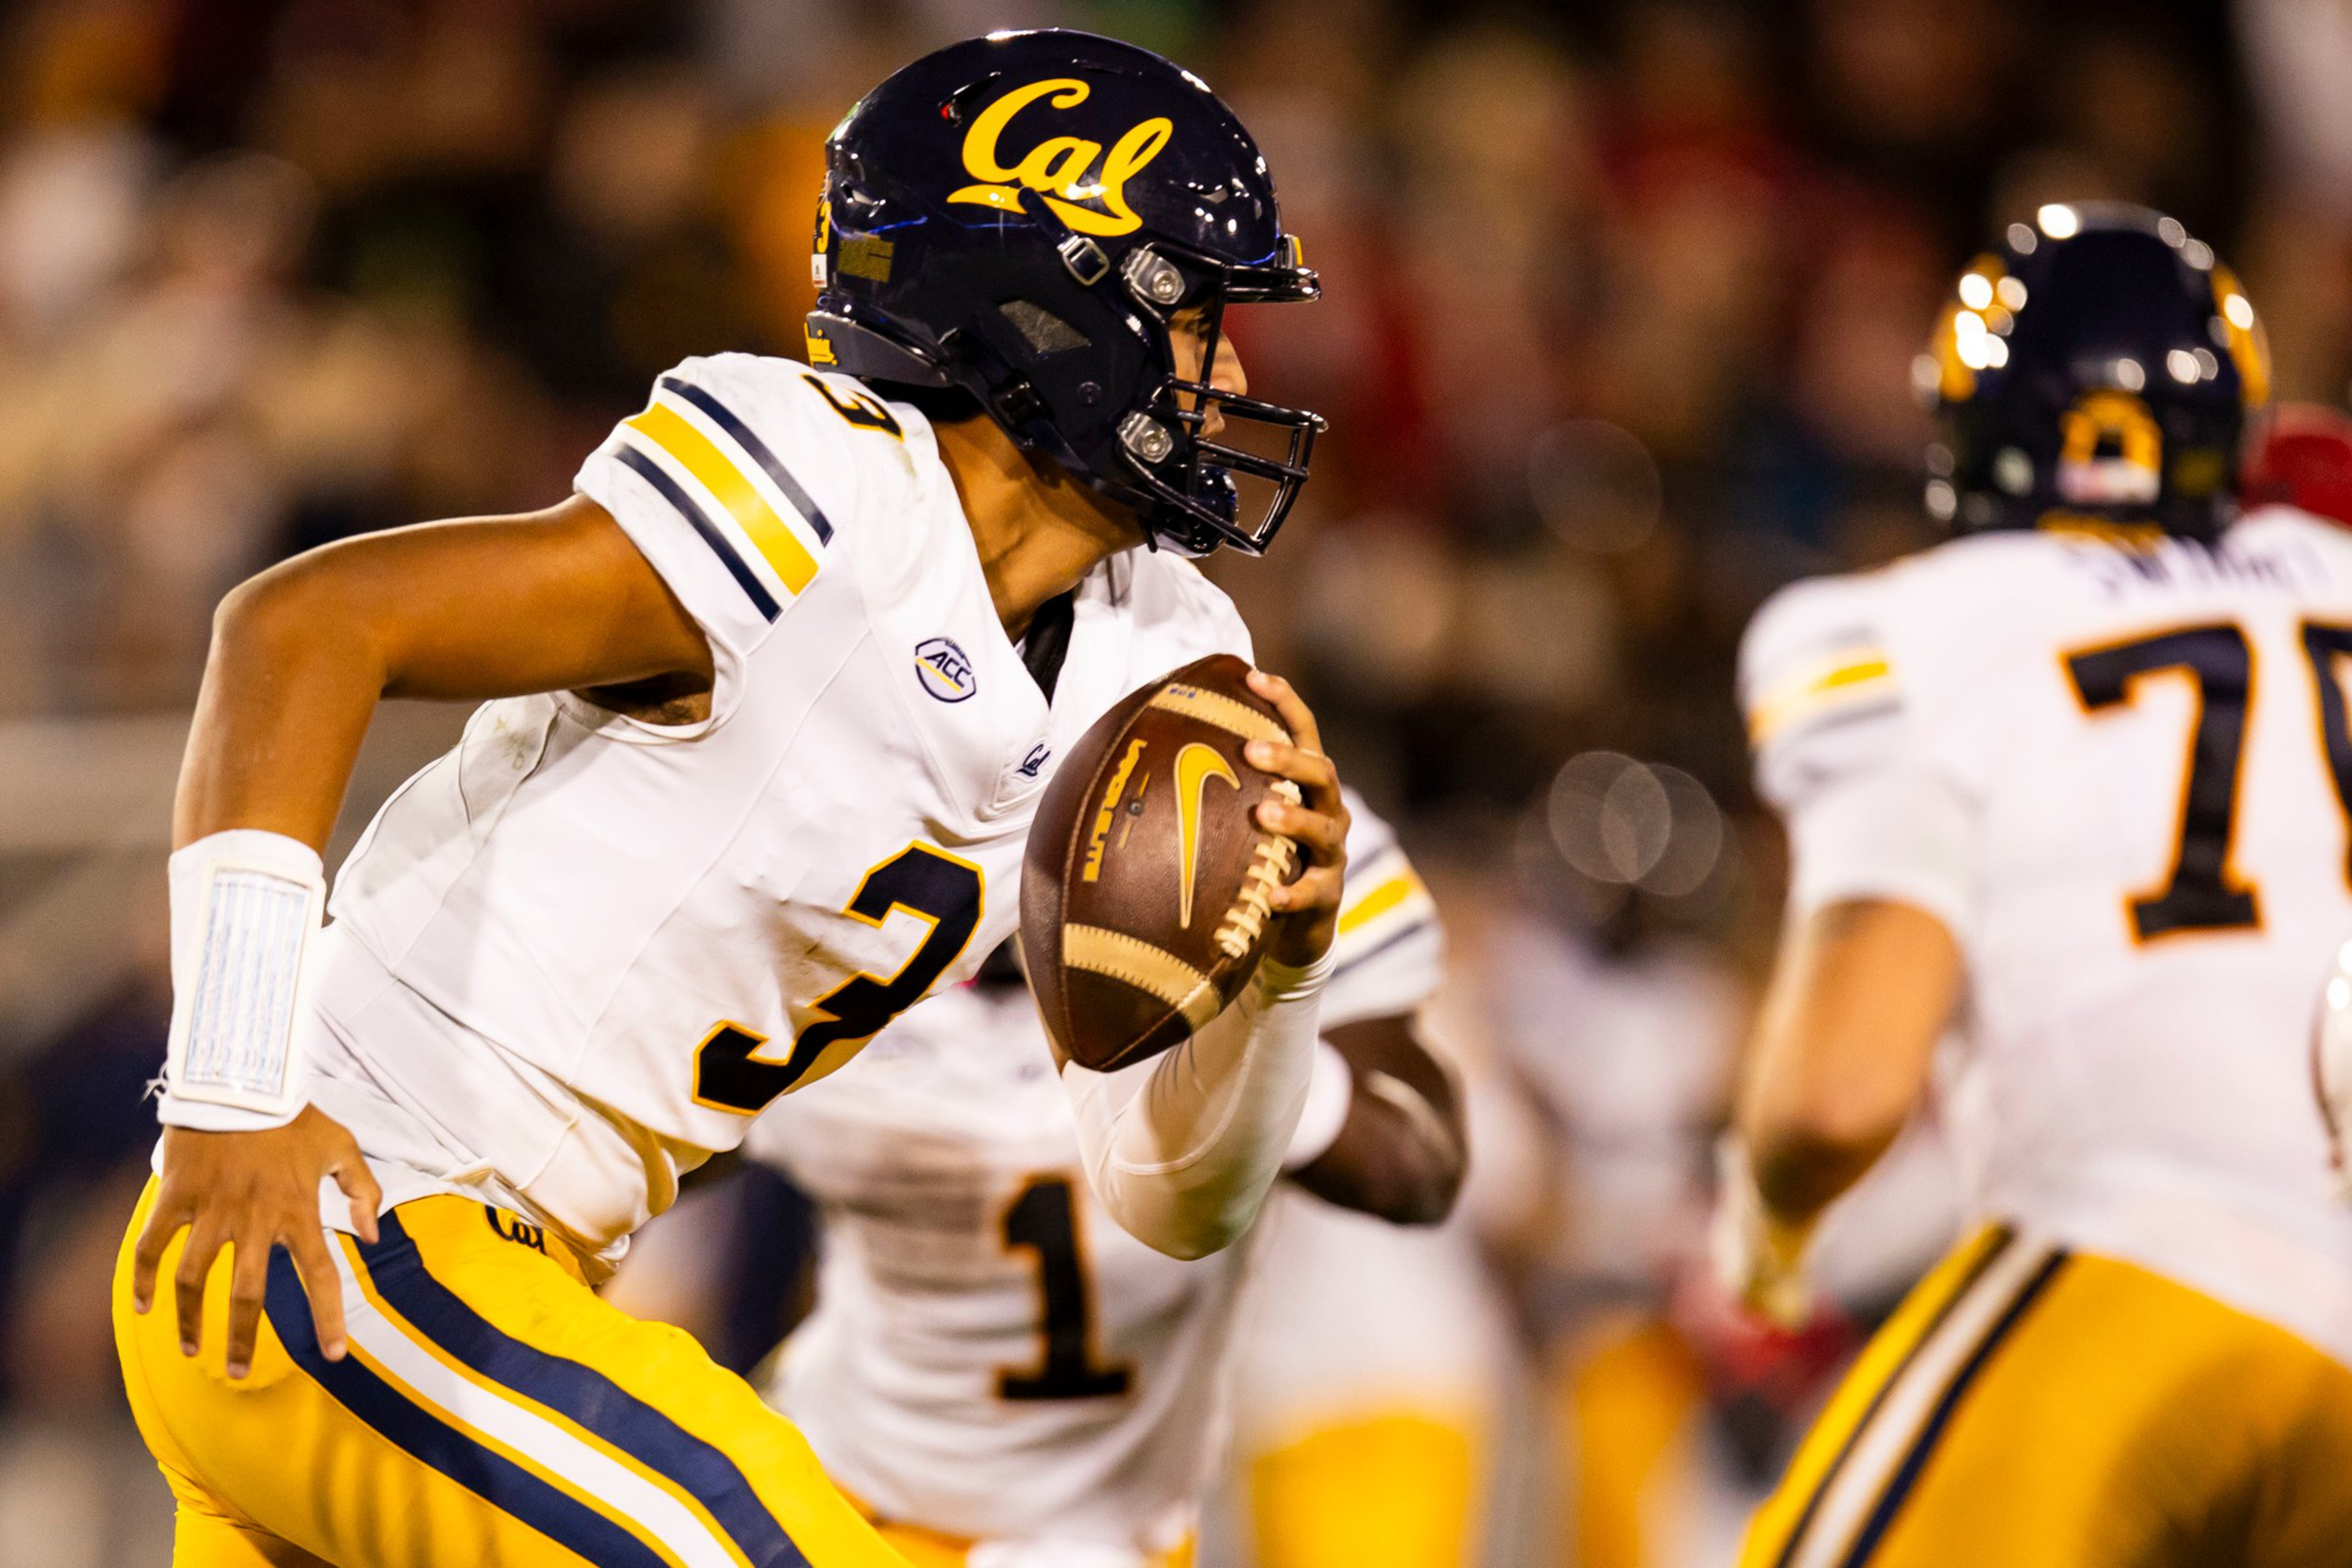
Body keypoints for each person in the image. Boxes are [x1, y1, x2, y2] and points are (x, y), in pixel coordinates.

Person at [113, 30, 1351, 1568]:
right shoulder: (826, 486)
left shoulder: (1163, 654)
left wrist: (1279, 973)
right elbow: (303, 629)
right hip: (355, 1210)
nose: (1229, 369)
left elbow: (1173, 1199)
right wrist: (231, 1083)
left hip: (515, 1280)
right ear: (1053, 302)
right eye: (1192, 315)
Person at [1717, 203, 2352, 1567]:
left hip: (2144, 1253)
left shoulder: (1890, 624)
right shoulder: (2335, 577)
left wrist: (1763, 1227)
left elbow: (1839, 1093)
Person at [739, 793, 1459, 1568]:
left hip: (1101, 1535)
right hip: (838, 1496)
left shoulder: (1255, 826)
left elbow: (1417, 1166)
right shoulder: (833, 830)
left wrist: (1267, 1019)